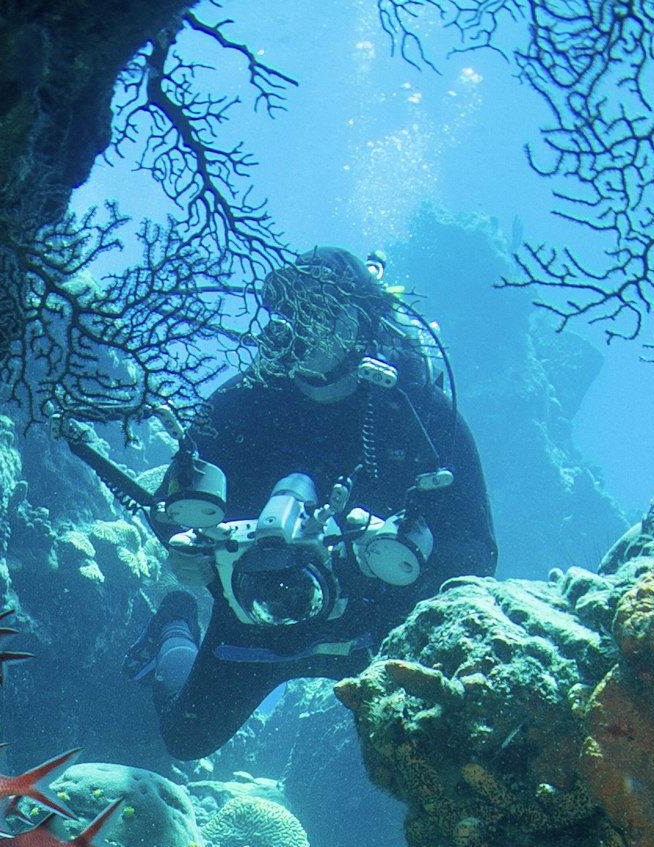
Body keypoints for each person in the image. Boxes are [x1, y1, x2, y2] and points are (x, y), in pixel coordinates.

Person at [123, 248, 499, 763]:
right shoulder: (235, 406)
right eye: (294, 313)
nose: (308, 330)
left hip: (376, 625)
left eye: (325, 313)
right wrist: (188, 554)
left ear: (364, 323)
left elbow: (477, 553)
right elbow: (174, 508)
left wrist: (381, 553)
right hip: (256, 614)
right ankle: (175, 621)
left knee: (439, 752)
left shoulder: (423, 417)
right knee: (186, 741)